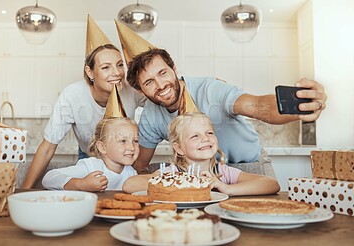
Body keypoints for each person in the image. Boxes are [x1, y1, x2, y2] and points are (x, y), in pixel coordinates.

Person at [114, 20, 327, 174]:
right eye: (149, 82)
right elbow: (139, 164)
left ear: (174, 68)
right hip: (202, 175)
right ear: (141, 91)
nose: (161, 86)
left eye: (163, 73)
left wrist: (299, 107)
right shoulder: (151, 116)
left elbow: (258, 106)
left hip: (250, 167)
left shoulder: (210, 90)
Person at [22, 16, 145, 188]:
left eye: (119, 65)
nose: (117, 73)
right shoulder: (72, 95)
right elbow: (48, 147)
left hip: (121, 159)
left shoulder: (131, 89)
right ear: (90, 72)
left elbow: (160, 103)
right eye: (105, 67)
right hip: (90, 156)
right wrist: (24, 190)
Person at [122, 112, 280, 196]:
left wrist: (227, 188)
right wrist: (179, 182)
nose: (205, 138)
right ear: (179, 148)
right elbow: (130, 185)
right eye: (195, 136)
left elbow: (271, 184)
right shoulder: (172, 173)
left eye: (209, 133)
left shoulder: (221, 173)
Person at [42, 117, 139, 191]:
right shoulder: (91, 167)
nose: (131, 147)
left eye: (135, 141)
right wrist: (81, 184)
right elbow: (49, 178)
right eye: (123, 141)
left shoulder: (131, 173)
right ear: (102, 147)